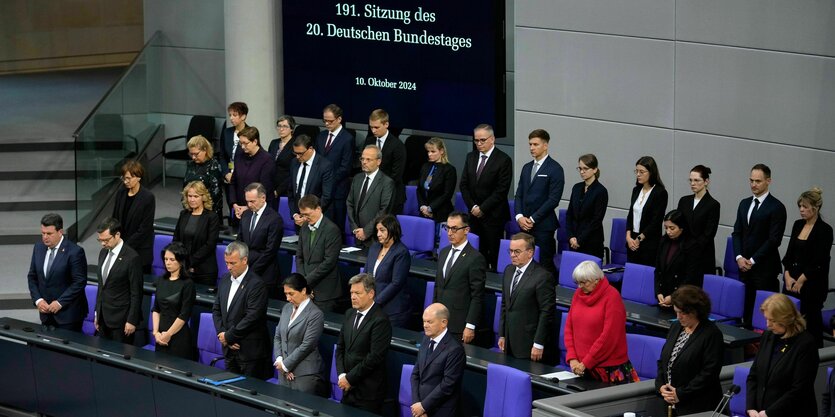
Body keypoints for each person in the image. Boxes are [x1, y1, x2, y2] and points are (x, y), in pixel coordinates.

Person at [564, 261, 638, 384]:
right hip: (581, 367)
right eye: (578, 282)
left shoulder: (612, 297)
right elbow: (569, 328)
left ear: (597, 280)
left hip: (609, 370)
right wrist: (572, 358)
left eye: (584, 282)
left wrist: (586, 362)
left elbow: (609, 337)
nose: (580, 286)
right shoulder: (578, 294)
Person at [746, 293, 819, 417]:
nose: (767, 325)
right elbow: (754, 375)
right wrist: (751, 408)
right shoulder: (768, 336)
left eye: (773, 321)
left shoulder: (805, 344)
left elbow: (799, 389)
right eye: (767, 319)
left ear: (787, 319)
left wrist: (769, 413)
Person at [655, 285, 724, 415]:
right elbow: (664, 360)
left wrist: (680, 393)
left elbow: (709, 373)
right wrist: (661, 386)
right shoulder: (676, 327)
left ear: (696, 311)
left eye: (683, 313)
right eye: (676, 312)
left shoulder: (711, 334)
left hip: (698, 405)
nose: (678, 316)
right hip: (670, 403)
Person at [732, 164, 787, 325]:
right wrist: (739, 257)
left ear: (768, 181)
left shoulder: (776, 207)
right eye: (751, 180)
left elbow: (774, 240)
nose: (753, 184)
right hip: (744, 267)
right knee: (747, 309)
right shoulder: (744, 203)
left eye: (758, 181)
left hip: (765, 269)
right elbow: (737, 233)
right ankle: (748, 346)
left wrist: (753, 260)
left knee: (765, 312)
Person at [212, 241, 273, 379]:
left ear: (245, 260)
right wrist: (222, 334)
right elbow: (216, 310)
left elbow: (252, 317)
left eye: (232, 263)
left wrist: (229, 336)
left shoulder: (257, 285)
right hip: (229, 349)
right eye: (226, 262)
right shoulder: (225, 280)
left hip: (249, 354)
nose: (228, 267)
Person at [782, 187, 832, 347]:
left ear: (815, 208)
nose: (801, 210)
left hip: (812, 285)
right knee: (790, 322)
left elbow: (819, 261)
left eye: (805, 206)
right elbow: (789, 255)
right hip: (791, 281)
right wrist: (787, 276)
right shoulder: (797, 225)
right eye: (800, 206)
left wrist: (801, 280)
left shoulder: (825, 230)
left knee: (810, 325)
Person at [336, 273, 392, 414]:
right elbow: (340, 348)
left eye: (358, 293)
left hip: (368, 392)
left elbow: (374, 357)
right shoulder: (349, 313)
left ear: (371, 293)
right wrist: (342, 375)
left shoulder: (380, 320)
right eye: (351, 293)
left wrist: (349, 378)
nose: (353, 297)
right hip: (348, 389)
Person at [497, 233, 557, 365]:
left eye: (517, 252)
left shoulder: (542, 277)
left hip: (529, 344)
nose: (512, 255)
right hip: (510, 341)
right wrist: (502, 334)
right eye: (510, 251)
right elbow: (505, 304)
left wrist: (538, 344)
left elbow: (546, 312)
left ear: (530, 253)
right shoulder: (508, 271)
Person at [459, 123, 512, 271]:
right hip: (474, 215)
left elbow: (501, 191)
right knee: (475, 254)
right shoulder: (471, 157)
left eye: (482, 140)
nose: (479, 143)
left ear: (492, 139)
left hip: (493, 216)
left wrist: (482, 208)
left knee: (494, 254)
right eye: (476, 140)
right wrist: (473, 207)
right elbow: (464, 185)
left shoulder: (503, 159)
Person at [514, 128, 565, 273]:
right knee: (523, 262)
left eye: (535, 144)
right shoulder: (527, 167)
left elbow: (553, 199)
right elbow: (519, 195)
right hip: (523, 225)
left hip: (543, 226)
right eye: (530, 144)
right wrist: (519, 217)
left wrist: (532, 219)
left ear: (545, 145)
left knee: (544, 264)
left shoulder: (555, 169)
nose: (531, 148)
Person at [27, 213, 88, 331]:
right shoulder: (38, 247)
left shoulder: (75, 252)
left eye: (49, 233)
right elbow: (32, 277)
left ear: (60, 232)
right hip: (46, 315)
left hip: (69, 316)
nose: (45, 237)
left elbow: (79, 282)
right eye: (43, 233)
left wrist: (60, 302)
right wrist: (38, 300)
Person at [433, 212, 486, 345]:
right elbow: (438, 286)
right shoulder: (443, 252)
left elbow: (477, 296)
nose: (450, 233)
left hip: (459, 324)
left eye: (454, 228)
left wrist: (470, 325)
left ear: (466, 230)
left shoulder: (475, 258)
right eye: (447, 228)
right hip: (440, 321)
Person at [273, 273, 326, 395]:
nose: (287, 298)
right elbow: (278, 336)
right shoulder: (286, 308)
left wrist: (286, 365)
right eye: (286, 294)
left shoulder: (315, 314)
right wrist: (280, 361)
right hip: (283, 372)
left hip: (304, 375)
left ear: (303, 290)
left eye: (291, 294)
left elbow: (307, 345)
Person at [410, 303, 466, 417]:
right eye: (424, 321)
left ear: (444, 323)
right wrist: (417, 404)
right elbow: (415, 374)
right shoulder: (426, 340)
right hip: (420, 408)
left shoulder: (455, 349)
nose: (425, 325)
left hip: (440, 410)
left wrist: (424, 406)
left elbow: (447, 385)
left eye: (429, 322)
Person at [94, 217, 143, 344]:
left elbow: (136, 292)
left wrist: (132, 320)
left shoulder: (132, 258)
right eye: (100, 240)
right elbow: (101, 287)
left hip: (122, 321)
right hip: (103, 317)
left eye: (106, 240)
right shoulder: (103, 253)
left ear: (117, 235)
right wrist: (97, 314)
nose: (103, 244)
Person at [295, 194, 344, 313]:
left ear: (318, 209)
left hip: (325, 291)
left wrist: (306, 282)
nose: (305, 218)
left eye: (308, 214)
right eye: (303, 215)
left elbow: (329, 262)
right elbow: (299, 256)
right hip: (306, 288)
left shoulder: (331, 230)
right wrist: (304, 283)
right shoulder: (305, 227)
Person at [365, 214, 411, 327]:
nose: (378, 234)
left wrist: (375, 302)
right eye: (377, 230)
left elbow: (396, 283)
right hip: (373, 305)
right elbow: (366, 274)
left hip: (392, 310)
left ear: (392, 230)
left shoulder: (401, 252)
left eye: (382, 230)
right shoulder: (374, 247)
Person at [237, 183, 283, 298]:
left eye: (252, 201)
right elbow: (239, 242)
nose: (249, 205)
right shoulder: (246, 215)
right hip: (246, 271)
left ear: (263, 198)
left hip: (265, 274)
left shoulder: (274, 219)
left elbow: (270, 251)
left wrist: (251, 272)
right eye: (247, 201)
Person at [152, 242, 196, 359]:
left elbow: (184, 314)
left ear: (181, 262)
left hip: (178, 337)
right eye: (166, 259)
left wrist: (168, 334)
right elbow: (156, 309)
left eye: (172, 259)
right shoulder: (161, 280)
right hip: (160, 336)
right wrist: (156, 332)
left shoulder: (188, 284)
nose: (167, 262)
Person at [173, 181, 220, 286]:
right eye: (189, 196)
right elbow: (176, 240)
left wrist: (190, 262)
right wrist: (182, 261)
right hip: (184, 269)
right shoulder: (183, 214)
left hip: (205, 271)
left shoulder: (212, 217)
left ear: (203, 197)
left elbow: (210, 244)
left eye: (196, 196)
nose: (192, 199)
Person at [346, 145, 395, 247]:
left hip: (375, 238)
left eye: (368, 159)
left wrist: (366, 231)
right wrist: (355, 228)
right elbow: (349, 203)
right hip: (357, 235)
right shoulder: (357, 178)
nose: (364, 162)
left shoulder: (386, 182)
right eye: (362, 159)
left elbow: (384, 211)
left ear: (378, 161)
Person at [112, 160, 155, 273]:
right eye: (123, 178)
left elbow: (145, 228)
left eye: (128, 178)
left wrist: (124, 246)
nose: (125, 181)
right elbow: (115, 219)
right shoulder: (121, 193)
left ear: (138, 177)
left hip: (139, 252)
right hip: (121, 249)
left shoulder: (148, 197)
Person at [676, 165, 720, 274]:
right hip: (683, 252)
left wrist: (690, 248)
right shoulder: (684, 201)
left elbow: (708, 234)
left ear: (706, 181)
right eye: (690, 180)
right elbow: (678, 225)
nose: (692, 183)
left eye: (696, 180)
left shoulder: (713, 205)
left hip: (702, 256)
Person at [315, 104, 354, 228]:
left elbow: (345, 167)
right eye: (324, 120)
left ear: (339, 119)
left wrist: (327, 179)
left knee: (335, 229)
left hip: (337, 191)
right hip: (320, 191)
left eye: (330, 121)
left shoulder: (347, 139)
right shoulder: (321, 137)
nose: (326, 124)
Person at [626, 156, 668, 267]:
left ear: (651, 172)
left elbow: (656, 221)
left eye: (642, 172)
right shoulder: (636, 190)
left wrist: (639, 238)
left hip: (649, 242)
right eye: (636, 171)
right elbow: (630, 215)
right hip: (632, 241)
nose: (638, 174)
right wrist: (628, 237)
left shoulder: (660, 192)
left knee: (646, 275)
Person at [565, 154, 608, 259]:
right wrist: (571, 237)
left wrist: (579, 240)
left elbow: (596, 220)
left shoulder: (601, 191)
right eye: (580, 168)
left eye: (585, 169)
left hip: (591, 242)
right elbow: (569, 214)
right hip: (573, 240)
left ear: (594, 170)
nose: (582, 171)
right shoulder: (576, 188)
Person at [655, 210, 701, 307]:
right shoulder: (663, 241)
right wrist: (658, 292)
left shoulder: (692, 245)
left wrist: (673, 297)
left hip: (683, 298)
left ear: (681, 228)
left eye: (672, 228)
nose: (668, 232)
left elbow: (690, 277)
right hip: (664, 296)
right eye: (666, 228)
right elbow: (658, 269)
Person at [365, 109, 406, 214]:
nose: (373, 130)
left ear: (386, 124)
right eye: (371, 127)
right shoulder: (369, 141)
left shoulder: (397, 145)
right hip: (371, 195)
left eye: (376, 127)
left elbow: (396, 174)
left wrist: (377, 188)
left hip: (391, 196)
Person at [230, 126, 276, 217]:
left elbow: (265, 189)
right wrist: (234, 204)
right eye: (240, 143)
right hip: (238, 208)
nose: (242, 146)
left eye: (245, 143)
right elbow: (233, 181)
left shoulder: (267, 159)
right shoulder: (239, 156)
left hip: (258, 211)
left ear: (255, 141)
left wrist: (248, 207)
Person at [288, 134, 334, 221]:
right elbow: (291, 191)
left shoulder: (324, 166)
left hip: (316, 218)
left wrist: (308, 215)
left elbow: (326, 196)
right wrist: (294, 214)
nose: (297, 157)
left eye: (300, 153)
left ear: (310, 149)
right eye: (295, 153)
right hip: (298, 218)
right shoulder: (294, 163)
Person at [219, 102, 249, 226]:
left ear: (243, 116)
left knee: (242, 206)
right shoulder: (227, 132)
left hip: (243, 177)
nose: (231, 118)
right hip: (228, 177)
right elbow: (222, 156)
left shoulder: (250, 133)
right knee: (231, 204)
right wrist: (226, 172)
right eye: (230, 115)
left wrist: (235, 174)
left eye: (235, 115)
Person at [417, 137, 457, 228]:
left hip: (440, 214)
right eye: (428, 151)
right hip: (424, 213)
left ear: (441, 151)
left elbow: (447, 194)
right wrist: (422, 206)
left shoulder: (449, 170)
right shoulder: (425, 166)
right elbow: (419, 189)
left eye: (433, 151)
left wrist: (430, 208)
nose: (429, 154)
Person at [184, 135, 225, 221]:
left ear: (205, 150)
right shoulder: (191, 164)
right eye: (191, 154)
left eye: (196, 154)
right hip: (191, 208)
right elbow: (185, 187)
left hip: (208, 212)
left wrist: (202, 211)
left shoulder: (214, 165)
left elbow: (216, 193)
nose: (193, 157)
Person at [268, 115, 297, 198]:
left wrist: (279, 190)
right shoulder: (274, 143)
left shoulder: (295, 144)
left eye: (285, 126)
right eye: (279, 126)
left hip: (287, 188)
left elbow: (293, 171)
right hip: (271, 186)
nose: (281, 129)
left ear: (291, 128)